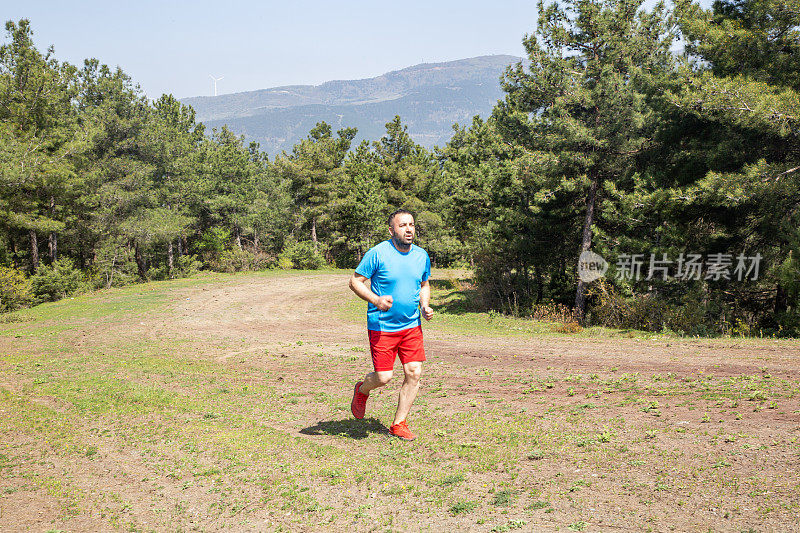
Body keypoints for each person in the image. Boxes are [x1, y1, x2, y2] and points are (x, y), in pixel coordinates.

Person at [348, 209, 434, 441]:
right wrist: (376, 300)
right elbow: (355, 281)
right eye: (403, 225)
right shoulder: (378, 253)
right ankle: (362, 389)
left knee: (414, 372)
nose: (409, 229)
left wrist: (424, 305)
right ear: (391, 230)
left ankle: (399, 423)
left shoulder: (421, 255)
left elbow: (424, 284)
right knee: (383, 377)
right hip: (382, 326)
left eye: (412, 225)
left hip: (411, 326)